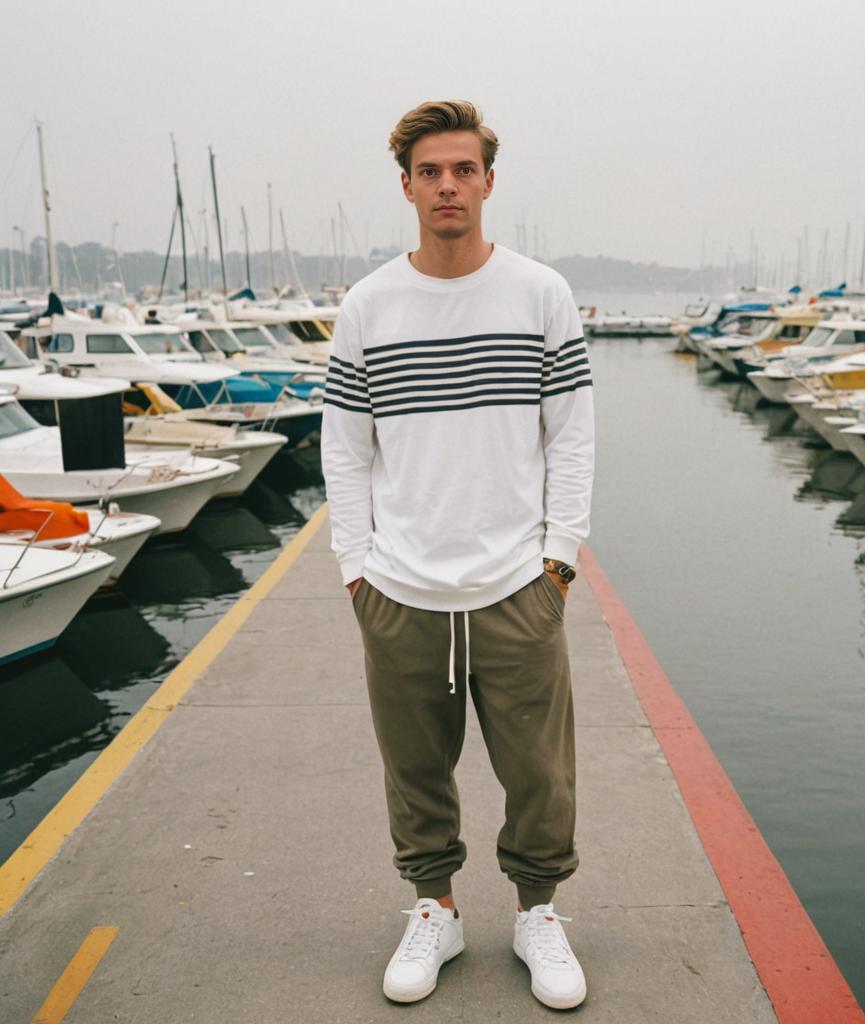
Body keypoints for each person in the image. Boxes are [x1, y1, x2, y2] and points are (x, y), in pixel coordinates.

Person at [320, 99, 594, 1010]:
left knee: (539, 773)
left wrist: (560, 561)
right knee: (414, 769)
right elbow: (346, 448)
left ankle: (537, 913)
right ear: (407, 187)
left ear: (487, 180)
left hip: (518, 584)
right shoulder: (369, 305)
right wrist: (354, 569)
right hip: (399, 587)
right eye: (430, 172)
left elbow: (573, 436)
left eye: (462, 170)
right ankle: (434, 910)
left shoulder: (539, 294)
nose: (448, 185)